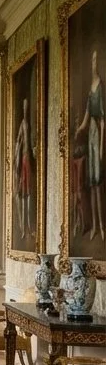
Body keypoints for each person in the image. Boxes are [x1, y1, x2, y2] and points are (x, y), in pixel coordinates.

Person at [75, 47, 104, 242]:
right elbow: (86, 119)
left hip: (98, 135)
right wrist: (77, 129)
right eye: (91, 61)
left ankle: (101, 224)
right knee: (92, 183)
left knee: (98, 182)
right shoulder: (90, 88)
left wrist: (101, 147)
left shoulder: (100, 85)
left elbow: (102, 120)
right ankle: (94, 225)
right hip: (90, 133)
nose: (93, 64)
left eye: (96, 61)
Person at [12, 95, 35, 243]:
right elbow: (19, 141)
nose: (25, 110)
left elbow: (28, 141)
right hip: (24, 159)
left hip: (28, 158)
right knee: (24, 193)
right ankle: (24, 226)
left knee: (28, 193)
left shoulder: (28, 124)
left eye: (27, 107)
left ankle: (28, 225)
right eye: (24, 107)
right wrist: (16, 157)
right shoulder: (23, 124)